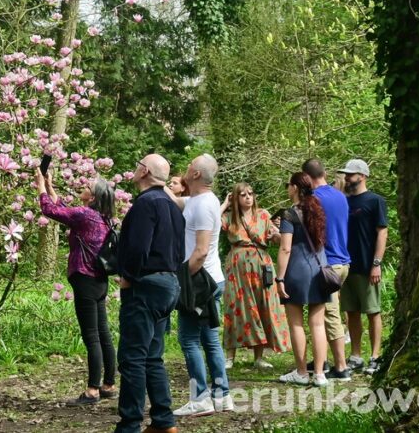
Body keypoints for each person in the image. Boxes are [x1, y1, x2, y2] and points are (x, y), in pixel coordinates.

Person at [114, 154, 184, 433]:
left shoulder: (145, 204)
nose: (133, 169)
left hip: (146, 287)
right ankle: (163, 421)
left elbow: (138, 248)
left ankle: (130, 425)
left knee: (132, 357)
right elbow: (180, 249)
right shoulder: (173, 206)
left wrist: (128, 277)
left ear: (144, 171)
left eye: (136, 165)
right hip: (169, 283)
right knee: (153, 356)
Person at [36, 169, 117, 404]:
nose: (85, 186)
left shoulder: (85, 215)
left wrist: (40, 186)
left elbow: (50, 211)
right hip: (100, 281)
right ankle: (109, 385)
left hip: (85, 279)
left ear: (92, 197)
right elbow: (63, 210)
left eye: (89, 187)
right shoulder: (102, 217)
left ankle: (92, 390)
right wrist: (50, 187)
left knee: (91, 336)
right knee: (103, 333)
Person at [173, 154, 231, 417]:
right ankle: (222, 395)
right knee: (209, 339)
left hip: (201, 281)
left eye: (189, 166)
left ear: (196, 174)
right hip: (207, 278)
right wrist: (155, 178)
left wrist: (182, 281)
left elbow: (201, 251)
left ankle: (200, 398)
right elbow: (176, 201)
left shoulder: (204, 205)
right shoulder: (198, 201)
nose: (185, 168)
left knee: (188, 339)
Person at [220, 182, 289, 370]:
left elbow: (277, 239)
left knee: (261, 305)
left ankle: (258, 357)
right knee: (236, 307)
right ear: (236, 198)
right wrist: (225, 204)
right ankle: (230, 356)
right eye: (242, 195)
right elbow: (209, 222)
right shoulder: (229, 217)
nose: (248, 197)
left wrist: (280, 231)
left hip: (261, 264)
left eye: (250, 193)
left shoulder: (263, 215)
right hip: (237, 266)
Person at [276, 172, 331, 387]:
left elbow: (285, 248)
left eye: (288, 185)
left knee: (296, 324)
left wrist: (280, 278)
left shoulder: (289, 214)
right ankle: (319, 374)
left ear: (296, 188)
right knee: (318, 324)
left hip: (297, 271)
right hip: (319, 269)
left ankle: (301, 372)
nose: (287, 188)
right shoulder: (317, 209)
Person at [302, 159, 352, 380]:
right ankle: (323, 360)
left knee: (329, 316)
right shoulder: (340, 196)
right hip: (343, 261)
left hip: (328, 264)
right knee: (325, 314)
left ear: (307, 178)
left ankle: (341, 367)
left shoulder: (314, 199)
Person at [336, 159, 388, 375]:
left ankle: (375, 356)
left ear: (363, 176)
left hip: (368, 266)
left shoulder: (376, 201)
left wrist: (376, 263)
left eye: (351, 174)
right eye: (346, 174)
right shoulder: (343, 201)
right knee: (352, 312)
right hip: (347, 265)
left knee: (373, 311)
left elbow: (382, 232)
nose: (347, 177)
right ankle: (356, 356)